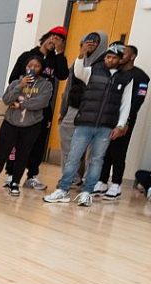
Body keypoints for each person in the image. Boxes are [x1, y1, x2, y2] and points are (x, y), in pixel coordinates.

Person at [44, 42, 135, 207]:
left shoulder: (126, 79)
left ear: (120, 60)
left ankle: (87, 192)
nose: (109, 59)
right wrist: (81, 55)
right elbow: (78, 72)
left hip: (106, 126)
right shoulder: (93, 70)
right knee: (73, 157)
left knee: (97, 159)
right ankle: (62, 190)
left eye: (113, 57)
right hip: (85, 123)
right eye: (108, 56)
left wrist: (120, 125)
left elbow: (125, 104)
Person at [5, 26, 69, 191]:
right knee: (16, 141)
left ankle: (32, 175)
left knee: (39, 142)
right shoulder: (27, 56)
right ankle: (11, 174)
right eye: (52, 37)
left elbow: (63, 75)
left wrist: (60, 53)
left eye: (59, 40)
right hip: (20, 106)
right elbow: (13, 79)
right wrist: (18, 98)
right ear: (45, 37)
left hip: (41, 108)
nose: (54, 41)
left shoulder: (56, 60)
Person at [0, 55, 53, 197]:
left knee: (23, 155)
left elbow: (41, 103)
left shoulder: (46, 85)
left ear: (41, 69)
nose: (32, 68)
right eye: (29, 66)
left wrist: (21, 105)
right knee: (1, 154)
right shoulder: (16, 82)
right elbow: (6, 99)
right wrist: (20, 85)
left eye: (36, 66)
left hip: (31, 125)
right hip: (10, 123)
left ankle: (15, 183)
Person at [57, 31, 108, 190]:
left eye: (95, 41)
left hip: (95, 113)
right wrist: (63, 111)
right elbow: (68, 89)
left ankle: (88, 181)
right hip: (74, 108)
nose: (91, 43)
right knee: (67, 144)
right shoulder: (78, 62)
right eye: (88, 40)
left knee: (93, 150)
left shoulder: (106, 64)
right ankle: (71, 178)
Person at [96, 45, 147, 198]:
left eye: (124, 53)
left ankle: (116, 184)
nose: (120, 55)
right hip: (109, 116)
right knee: (104, 150)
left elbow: (138, 100)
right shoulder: (114, 72)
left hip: (125, 119)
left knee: (118, 151)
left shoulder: (141, 76)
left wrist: (127, 121)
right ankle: (102, 181)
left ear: (132, 57)